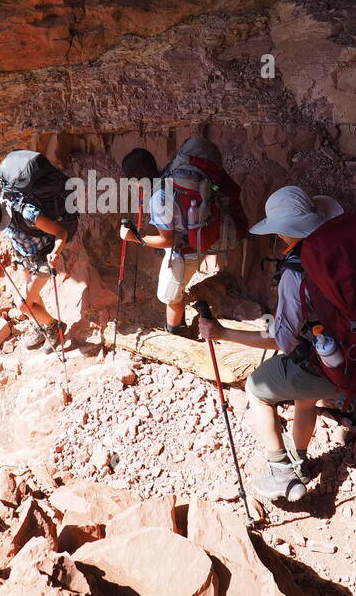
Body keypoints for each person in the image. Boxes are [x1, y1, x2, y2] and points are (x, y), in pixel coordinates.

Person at [198, 186, 344, 503]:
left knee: (256, 389)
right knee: (306, 399)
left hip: (322, 365)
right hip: (354, 358)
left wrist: (222, 333)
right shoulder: (340, 248)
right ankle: (301, 462)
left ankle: (281, 471)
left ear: (283, 231)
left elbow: (282, 340)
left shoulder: (297, 273)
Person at [118, 137, 243, 338]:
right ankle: (180, 320)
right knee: (174, 290)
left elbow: (167, 240)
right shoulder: (169, 175)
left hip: (185, 252)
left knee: (169, 297)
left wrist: (135, 238)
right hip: (195, 239)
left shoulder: (158, 199)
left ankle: (176, 334)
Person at [0, 190, 70, 350]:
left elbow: (61, 232)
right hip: (24, 255)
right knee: (32, 297)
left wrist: (55, 252)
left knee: (22, 304)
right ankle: (41, 327)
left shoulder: (28, 214)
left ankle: (55, 328)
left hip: (45, 257)